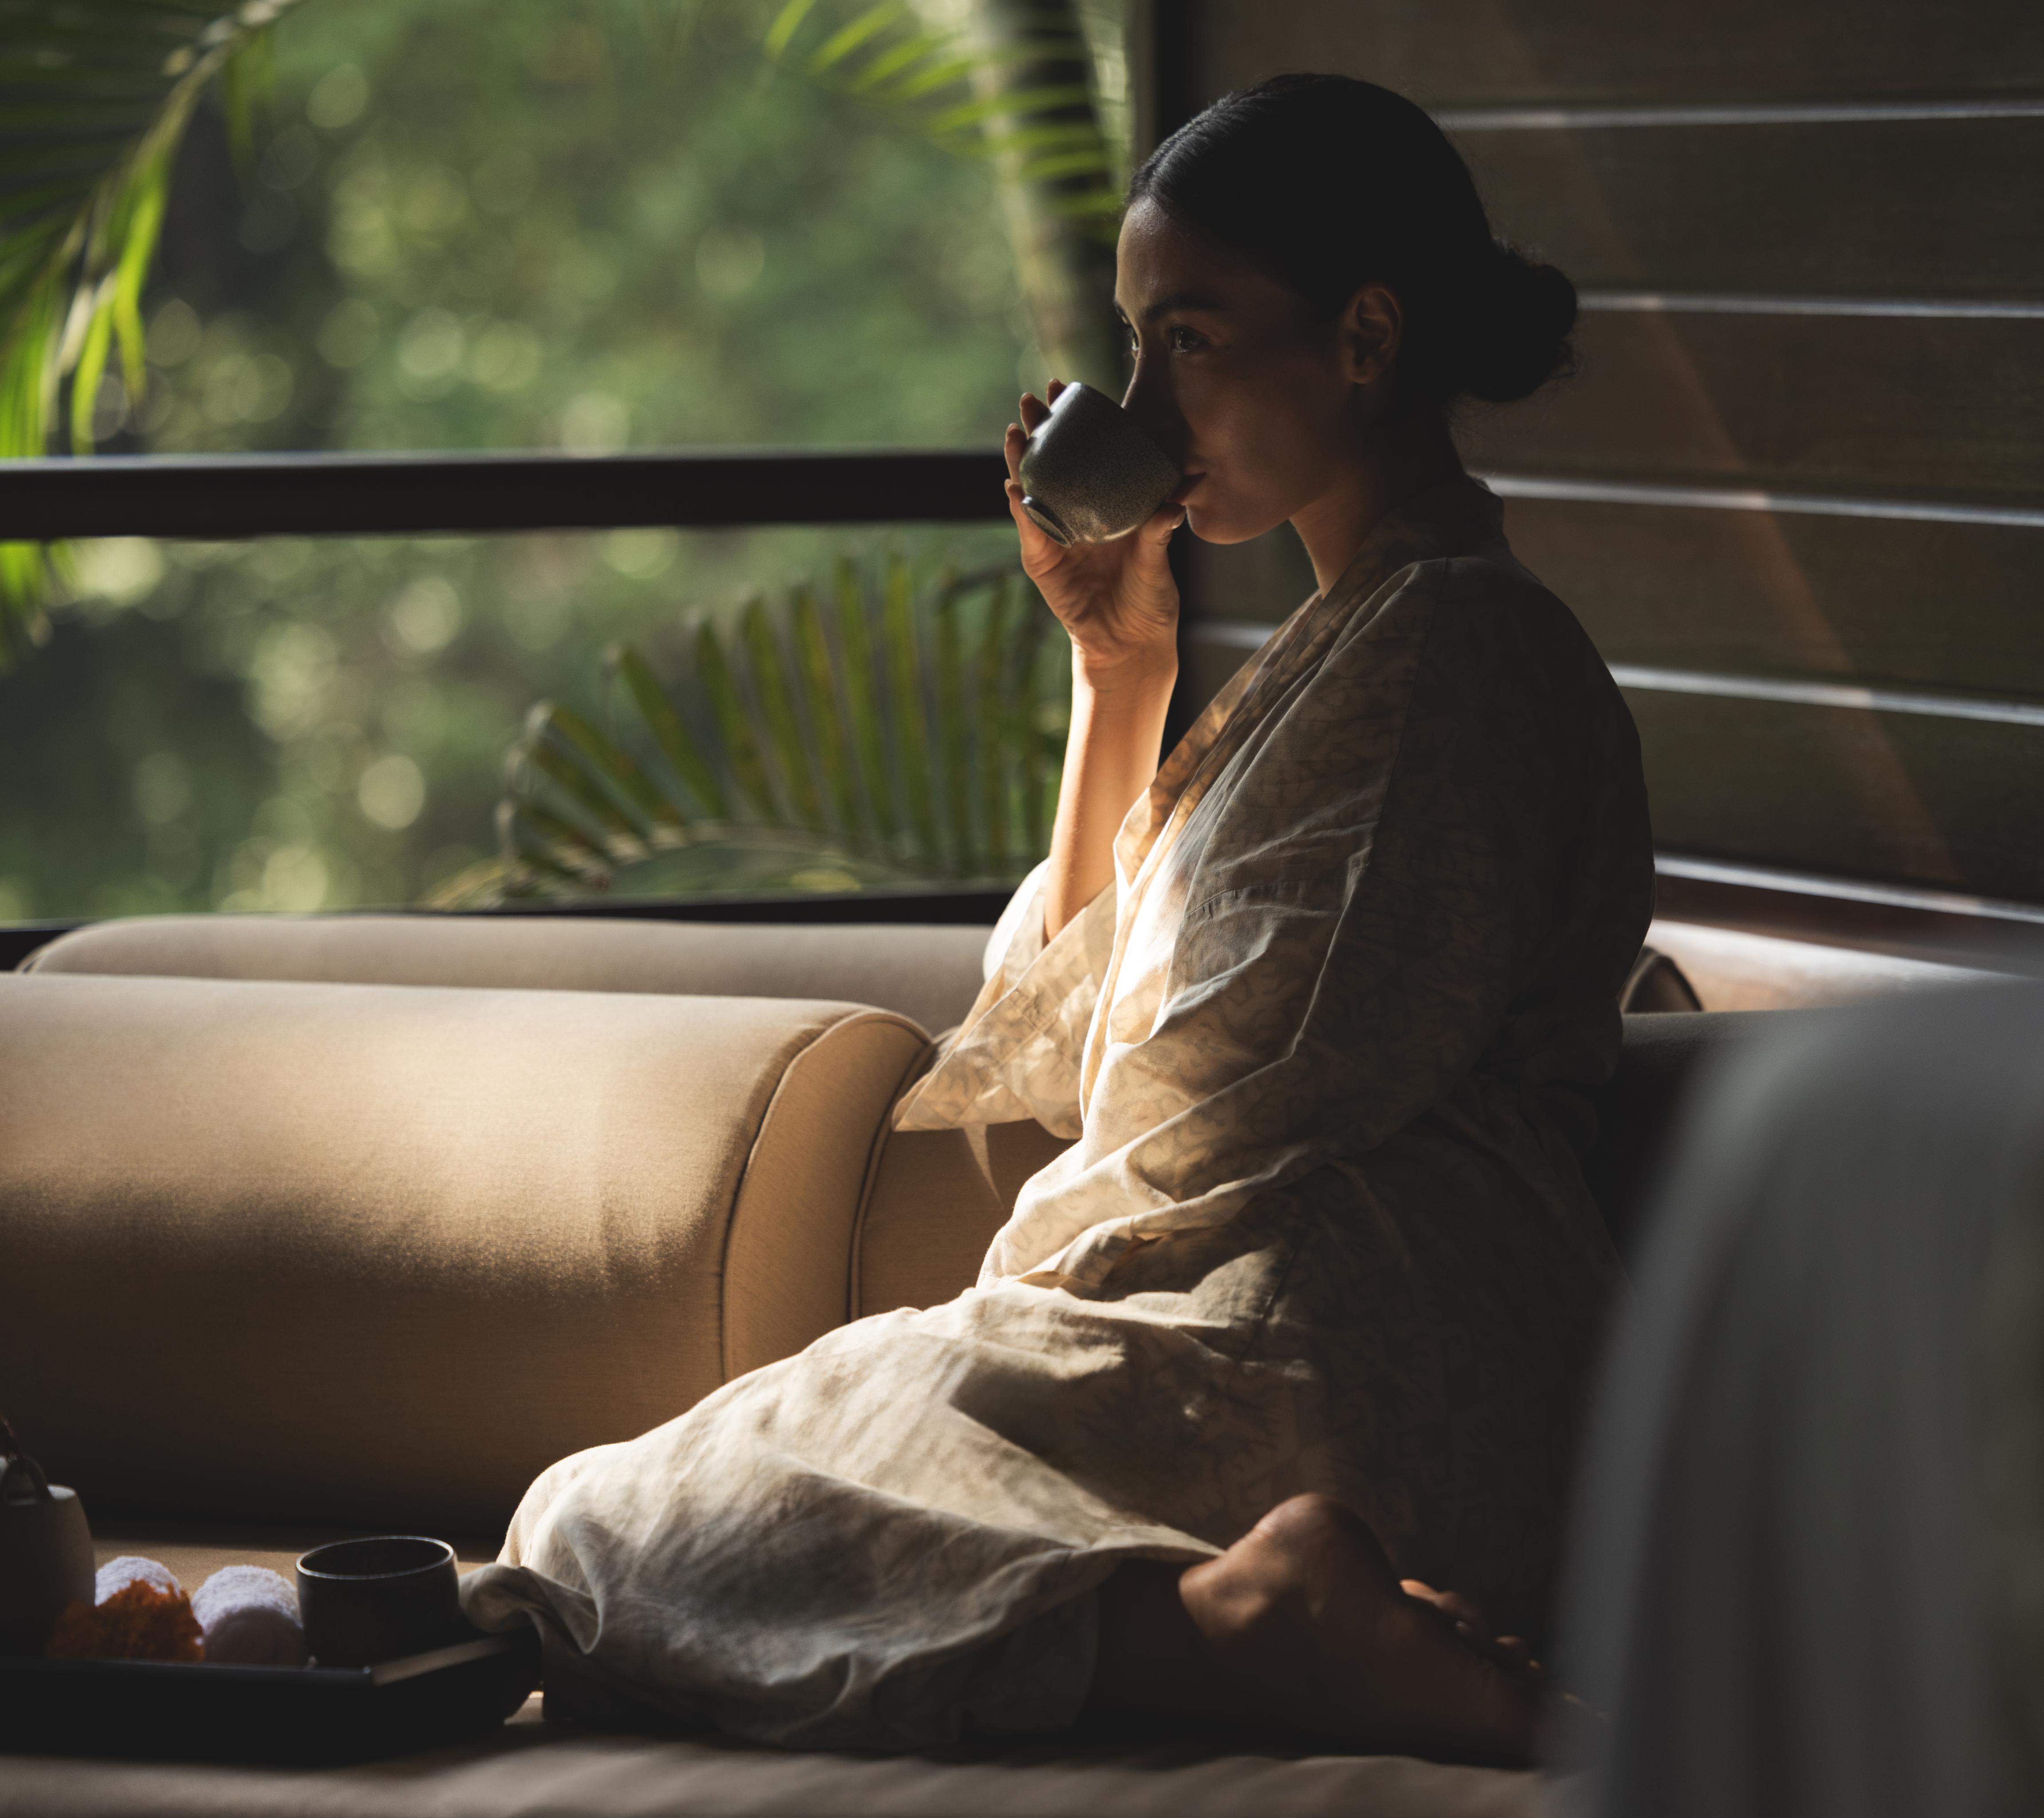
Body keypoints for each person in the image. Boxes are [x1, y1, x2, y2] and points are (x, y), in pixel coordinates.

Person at [462, 72, 1651, 1762]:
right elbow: (1068, 1036)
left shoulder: (1454, 653)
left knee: (612, 1539)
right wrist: (1122, 672)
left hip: (1362, 1347)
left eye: (1191, 339)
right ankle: (1247, 1620)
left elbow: (1239, 1079)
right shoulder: (1349, 649)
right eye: (1135, 343)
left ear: (1366, 340)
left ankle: (1267, 1615)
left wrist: (1005, 1310)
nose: (1145, 398)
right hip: (1264, 1307)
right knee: (596, 1527)